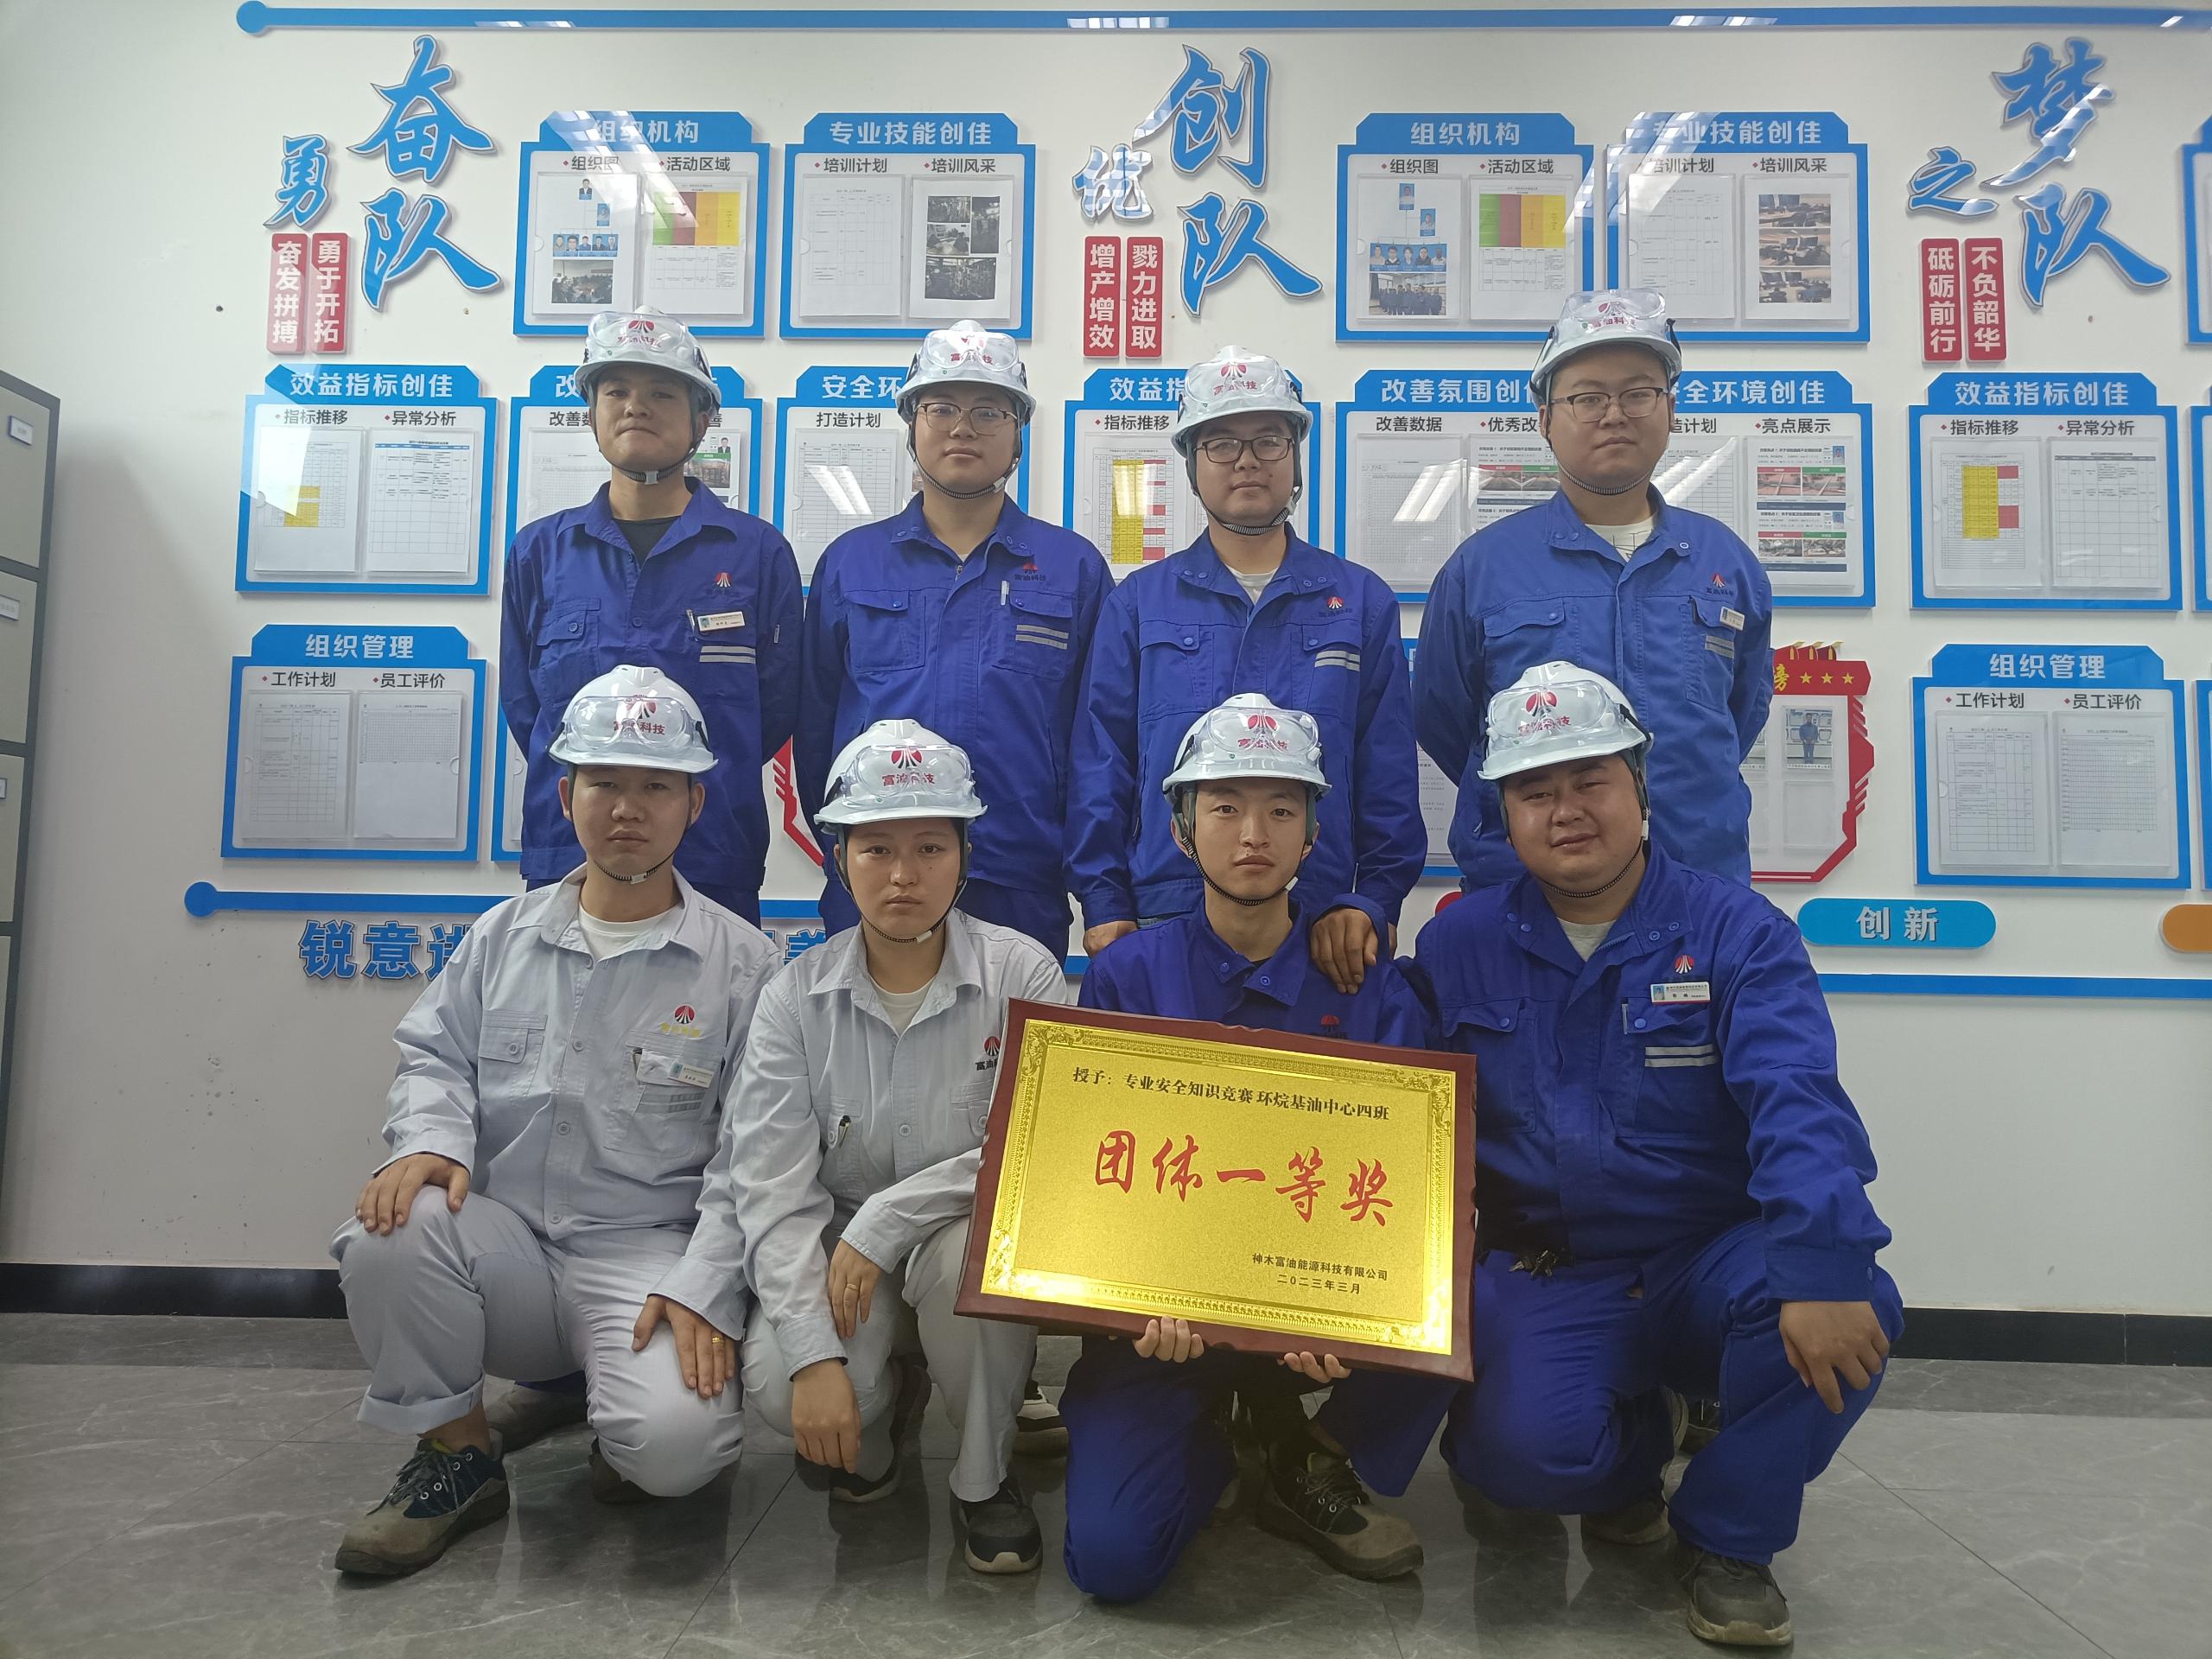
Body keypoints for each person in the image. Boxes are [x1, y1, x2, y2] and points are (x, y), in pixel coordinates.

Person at [1341, 661, 1901, 1648]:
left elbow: (1798, 1103)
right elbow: (1396, 1105)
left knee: (1854, 1303)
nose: (1564, 811)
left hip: (1707, 1265)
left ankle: (1729, 1537)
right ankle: (1637, 1436)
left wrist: (1821, 1264)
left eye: (1589, 780)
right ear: (1503, 814)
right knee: (1521, 1464)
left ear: (1639, 786)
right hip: (1550, 1273)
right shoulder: (1461, 943)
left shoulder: (1737, 934)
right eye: (1533, 790)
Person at [327, 667, 780, 1577]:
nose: (627, 809)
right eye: (603, 782)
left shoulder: (744, 967)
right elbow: (434, 1056)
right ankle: (457, 1455)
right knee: (394, 1224)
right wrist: (430, 1142)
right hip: (509, 1248)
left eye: (655, 786)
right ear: (566, 795)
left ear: (694, 804)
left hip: (646, 1259)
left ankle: (620, 1417)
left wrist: (706, 1283)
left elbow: (753, 1154)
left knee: (675, 1456)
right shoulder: (502, 936)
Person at [671, 719, 1065, 1573]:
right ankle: (875, 1442)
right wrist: (814, 1359)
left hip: (952, 1235)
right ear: (839, 859)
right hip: (834, 1244)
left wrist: (889, 1219)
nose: (902, 875)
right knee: (782, 1386)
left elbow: (1033, 1148)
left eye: (930, 847)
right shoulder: (795, 998)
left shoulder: (1022, 975)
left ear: (964, 855)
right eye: (876, 848)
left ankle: (983, 1480)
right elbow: (768, 1186)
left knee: (970, 1264)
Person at [1058, 694, 1430, 1599]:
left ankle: (1313, 1452)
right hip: (1158, 1328)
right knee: (1111, 1561)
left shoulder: (1369, 988)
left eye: (1281, 809)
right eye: (1224, 807)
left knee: (1476, 1294)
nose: (1253, 834)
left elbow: (1409, 1192)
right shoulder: (1125, 980)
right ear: (1181, 832)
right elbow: (1091, 1184)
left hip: (1316, 1315)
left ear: (1312, 834)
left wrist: (1351, 1311)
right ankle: (1220, 1441)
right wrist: (1134, 1302)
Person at [1068, 346, 1422, 998]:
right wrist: (1104, 900)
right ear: (1191, 465)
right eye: (1222, 444)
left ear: (1296, 456)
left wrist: (1373, 900)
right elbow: (1102, 763)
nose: (1248, 460)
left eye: (1268, 440)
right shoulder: (1139, 604)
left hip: (1320, 924)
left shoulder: (1360, 602)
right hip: (1163, 914)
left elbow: (1388, 769)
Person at [1414, 289, 1773, 890]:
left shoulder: (1727, 563)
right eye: (1587, 397)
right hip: (1524, 889)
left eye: (1638, 393)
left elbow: (1742, 713)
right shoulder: (1481, 569)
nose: (1614, 415)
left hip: (1698, 885)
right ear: (1544, 420)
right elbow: (1443, 721)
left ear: (1671, 409)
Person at [798, 320, 1110, 962]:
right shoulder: (851, 563)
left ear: (1018, 433)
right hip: (875, 877)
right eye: (941, 407)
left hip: (1018, 876)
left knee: (1013, 1030)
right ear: (912, 424)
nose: (962, 428)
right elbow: (814, 726)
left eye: (989, 411)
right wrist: (852, 844)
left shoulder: (1072, 567)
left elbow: (1097, 739)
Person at [502, 307, 803, 926]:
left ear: (702, 419)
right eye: (616, 391)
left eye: (662, 392)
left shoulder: (755, 552)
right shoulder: (541, 552)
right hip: (570, 851)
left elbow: (776, 708)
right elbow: (525, 705)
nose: (636, 407)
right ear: (591, 412)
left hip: (713, 849)